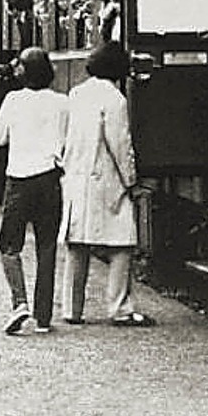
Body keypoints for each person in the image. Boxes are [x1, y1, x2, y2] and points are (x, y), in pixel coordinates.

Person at [59, 41, 155, 327]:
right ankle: (120, 309)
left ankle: (71, 310)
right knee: (122, 244)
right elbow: (120, 144)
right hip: (105, 181)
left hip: (77, 179)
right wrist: (131, 180)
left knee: (77, 246)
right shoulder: (115, 99)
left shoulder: (76, 94)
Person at [0, 47, 69, 335]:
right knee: (46, 247)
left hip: (19, 181)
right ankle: (44, 318)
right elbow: (68, 141)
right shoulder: (63, 102)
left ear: (23, 72)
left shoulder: (13, 100)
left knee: (9, 245)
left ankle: (19, 302)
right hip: (50, 180)